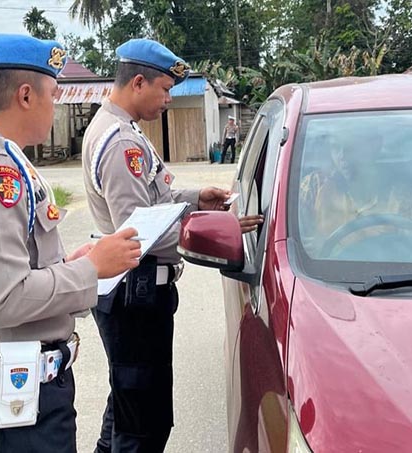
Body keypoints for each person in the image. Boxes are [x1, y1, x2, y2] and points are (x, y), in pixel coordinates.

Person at [0, 34, 142, 453]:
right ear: (25, 95)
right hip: (15, 402)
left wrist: (74, 263)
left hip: (20, 394)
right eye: (53, 93)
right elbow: (4, 299)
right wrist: (90, 269)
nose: (56, 104)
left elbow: (18, 268)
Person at [82, 39, 261, 452]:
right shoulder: (120, 142)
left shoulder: (122, 130)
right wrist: (214, 225)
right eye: (164, 89)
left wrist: (198, 199)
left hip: (135, 292)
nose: (167, 99)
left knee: (126, 408)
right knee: (143, 424)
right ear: (139, 82)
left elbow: (155, 202)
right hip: (136, 293)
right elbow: (136, 231)